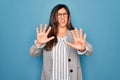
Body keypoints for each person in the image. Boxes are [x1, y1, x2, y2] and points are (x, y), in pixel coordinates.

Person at [30, 4, 93, 80]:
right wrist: (39, 43)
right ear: (54, 17)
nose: (62, 17)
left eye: (65, 14)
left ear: (68, 16)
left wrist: (82, 49)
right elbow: (32, 53)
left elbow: (90, 50)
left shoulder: (75, 35)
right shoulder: (46, 36)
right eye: (59, 15)